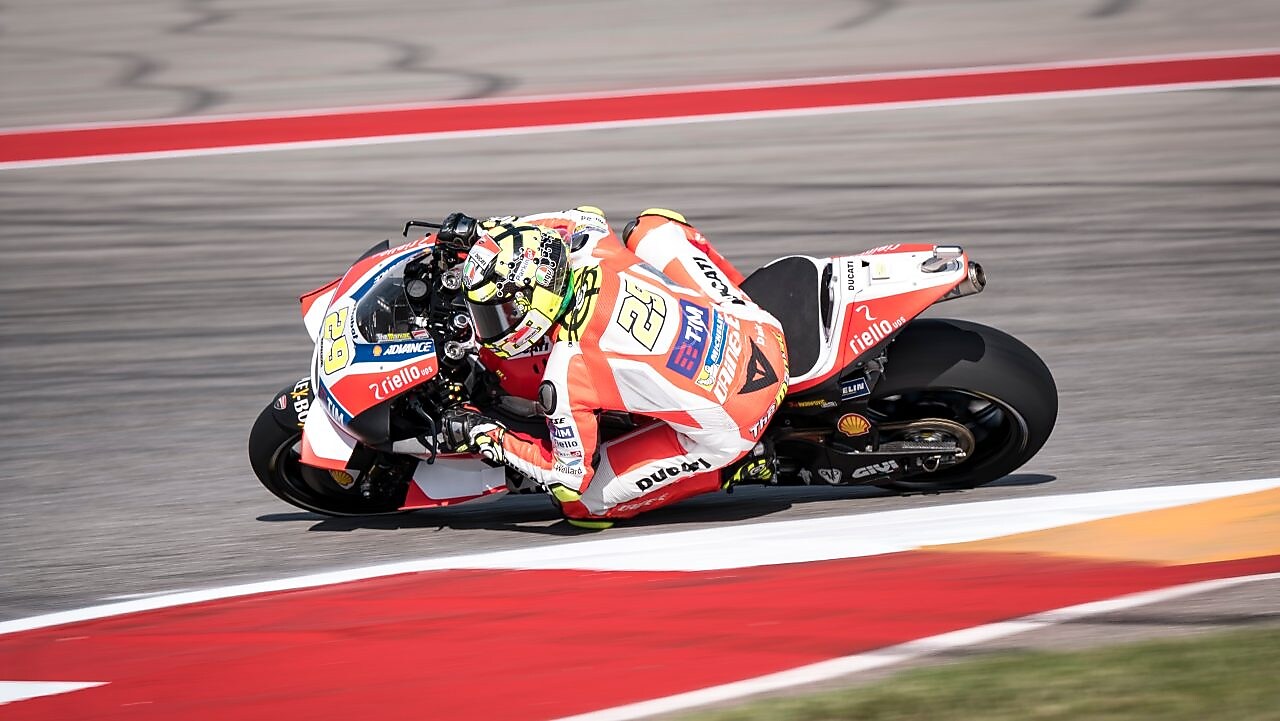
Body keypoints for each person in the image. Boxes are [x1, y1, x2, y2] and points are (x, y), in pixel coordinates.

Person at [441, 206, 788, 529]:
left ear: (534, 300)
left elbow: (567, 476)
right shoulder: (592, 244)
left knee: (581, 505)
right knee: (650, 226)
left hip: (740, 418)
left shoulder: (568, 371)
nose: (489, 326)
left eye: (502, 312)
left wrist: (487, 436)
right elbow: (578, 216)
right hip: (759, 330)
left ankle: (730, 468)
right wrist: (488, 232)